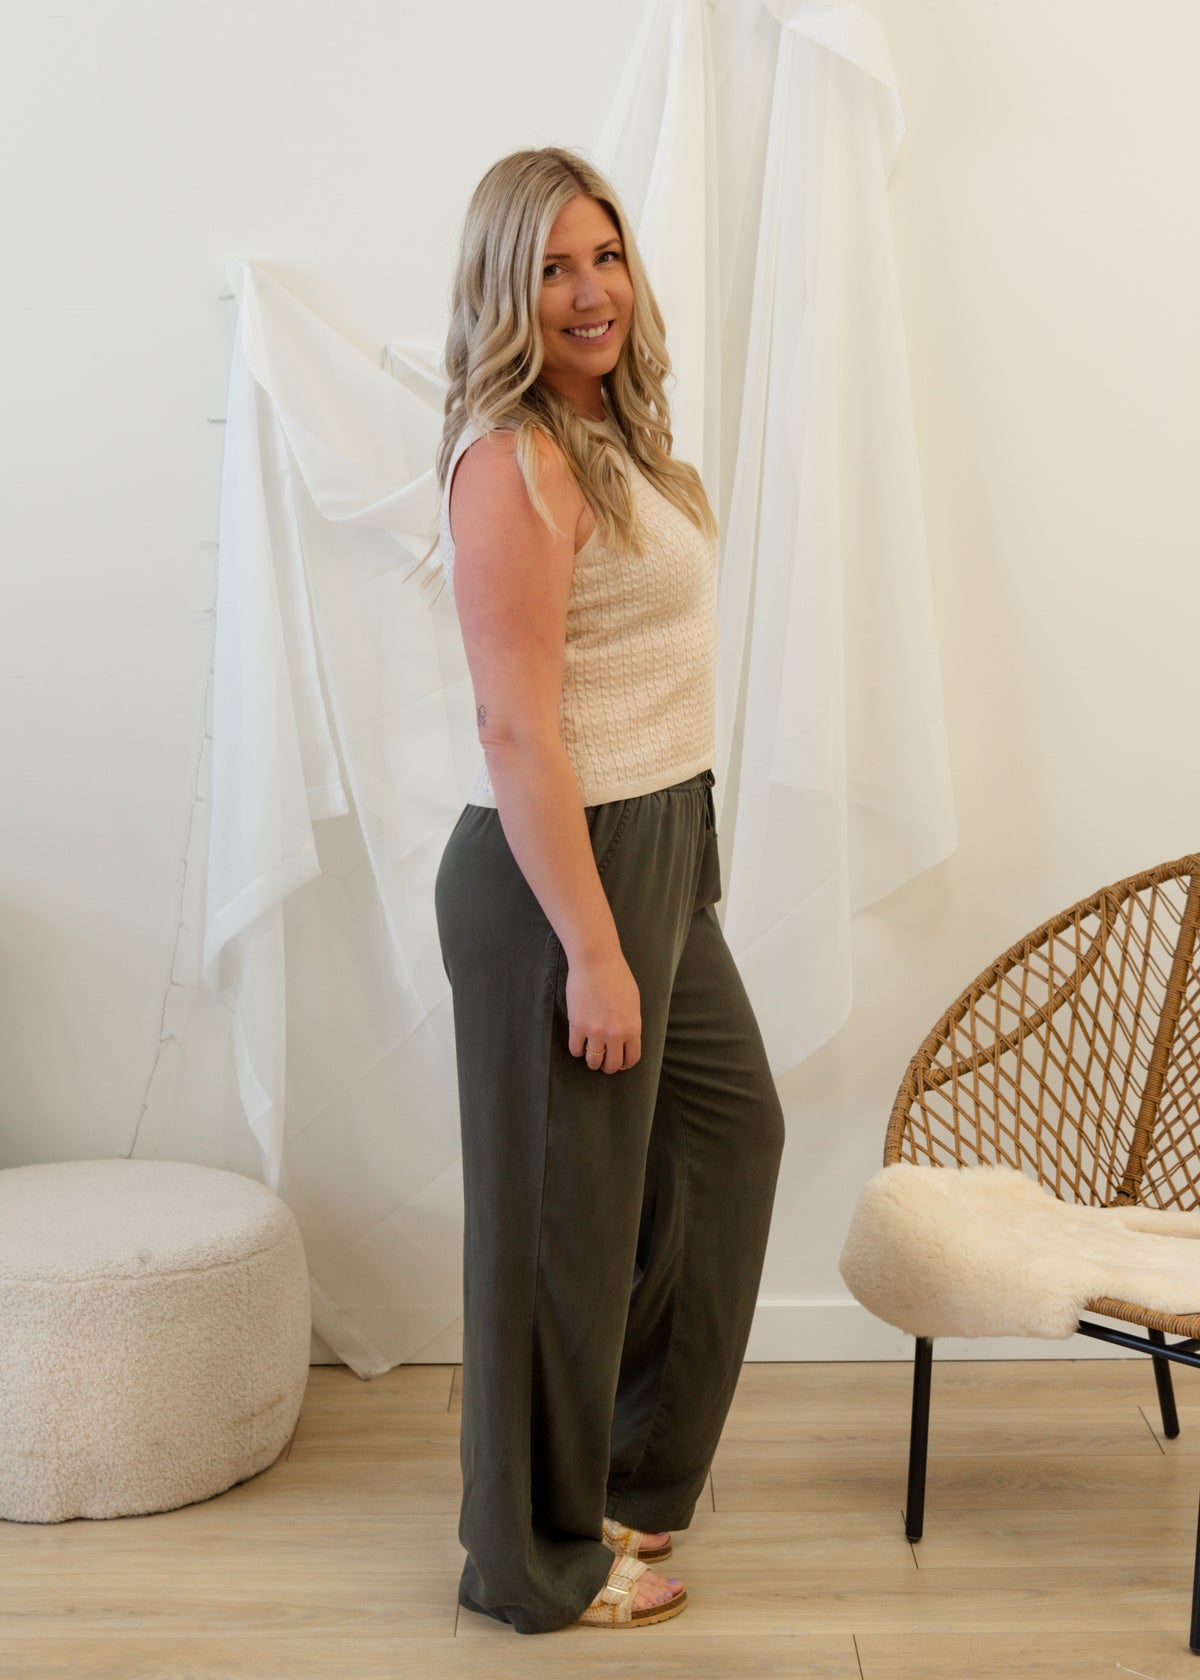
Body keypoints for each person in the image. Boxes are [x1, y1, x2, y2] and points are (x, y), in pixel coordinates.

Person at [430, 145, 785, 1635]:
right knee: (556, 1232)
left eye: (608, 256)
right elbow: (515, 729)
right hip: (555, 880)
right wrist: (590, 945)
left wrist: (654, 902)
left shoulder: (616, 439)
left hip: (662, 847)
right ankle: (527, 1560)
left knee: (726, 1140)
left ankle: (624, 1481)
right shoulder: (510, 460)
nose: (590, 292)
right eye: (553, 267)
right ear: (504, 291)